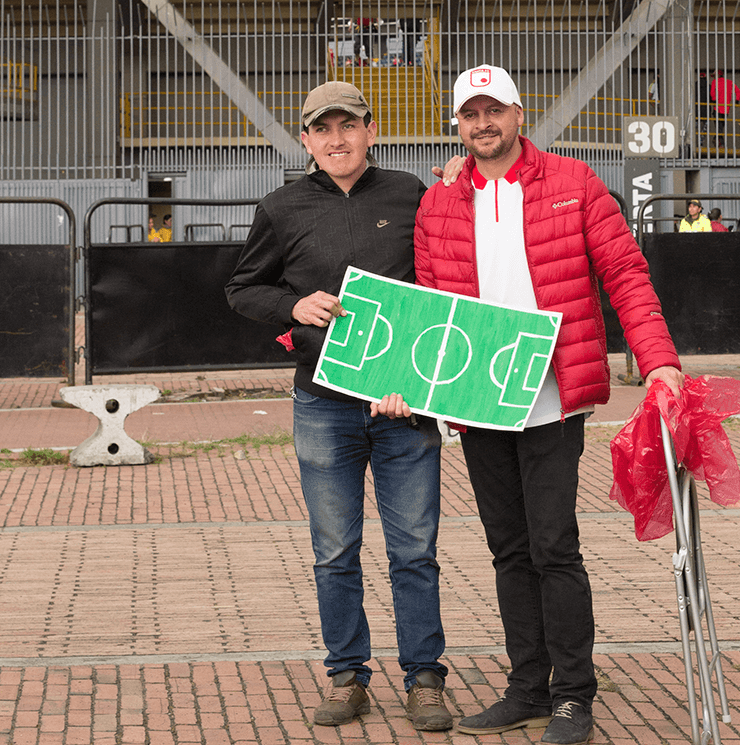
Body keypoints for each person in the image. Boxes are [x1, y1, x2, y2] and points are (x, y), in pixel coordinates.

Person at [379, 65, 682, 744]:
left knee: (553, 546)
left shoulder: (573, 183)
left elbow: (625, 273)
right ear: (457, 124)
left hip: (553, 395)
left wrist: (658, 361)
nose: (482, 124)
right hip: (481, 397)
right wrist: (411, 382)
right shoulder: (441, 202)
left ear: (520, 114)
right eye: (469, 114)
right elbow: (431, 310)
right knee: (508, 549)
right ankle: (526, 687)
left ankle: (573, 694)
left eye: (494, 110)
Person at [224, 81, 451, 731]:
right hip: (322, 403)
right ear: (305, 140)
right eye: (321, 129)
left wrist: (461, 181)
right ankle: (346, 675)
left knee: (413, 550)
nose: (336, 139)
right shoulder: (281, 207)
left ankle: (424, 679)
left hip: (404, 405)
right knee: (334, 550)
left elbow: (447, 277)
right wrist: (291, 307)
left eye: (347, 125)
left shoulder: (412, 194)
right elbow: (244, 287)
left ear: (371, 130)